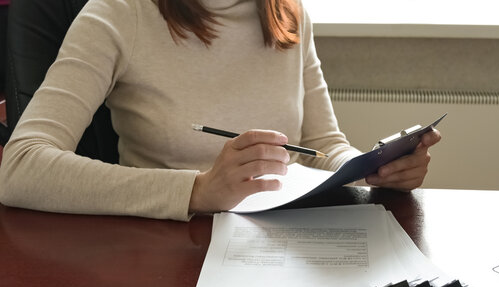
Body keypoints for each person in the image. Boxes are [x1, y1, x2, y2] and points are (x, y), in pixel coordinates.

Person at [0, 0, 441, 221]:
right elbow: (20, 168)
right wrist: (197, 190)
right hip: (163, 248)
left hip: (280, 243)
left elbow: (322, 145)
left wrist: (372, 169)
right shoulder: (118, 13)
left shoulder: (287, 11)